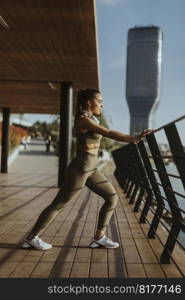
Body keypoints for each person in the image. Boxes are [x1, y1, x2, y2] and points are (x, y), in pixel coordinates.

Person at [22, 89, 152, 250]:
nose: (102, 105)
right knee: (59, 203)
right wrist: (132, 138)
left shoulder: (92, 119)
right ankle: (31, 237)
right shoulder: (84, 120)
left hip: (91, 170)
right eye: (99, 101)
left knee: (112, 197)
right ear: (89, 102)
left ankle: (99, 237)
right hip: (80, 170)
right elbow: (108, 132)